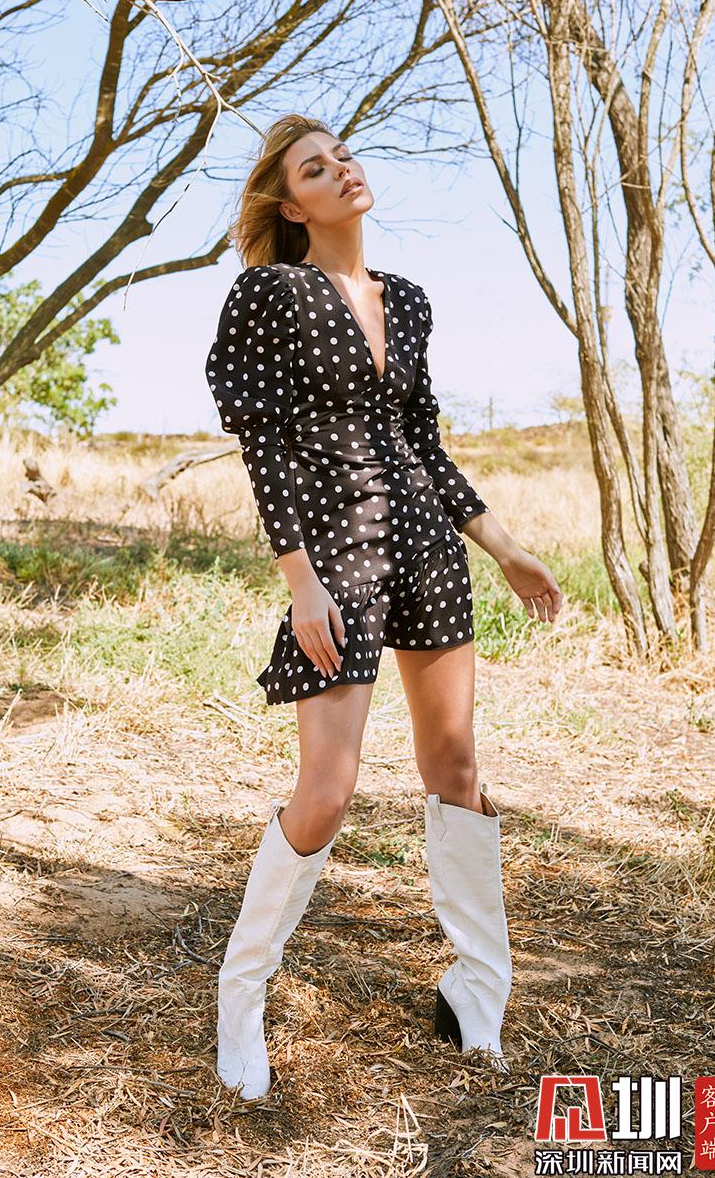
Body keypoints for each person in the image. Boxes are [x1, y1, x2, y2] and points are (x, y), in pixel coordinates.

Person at [204, 113, 563, 1101]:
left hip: (427, 550)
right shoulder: (269, 293)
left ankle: (475, 992)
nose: (341, 171)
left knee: (457, 770)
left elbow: (422, 444)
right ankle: (241, 995)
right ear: (291, 206)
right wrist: (299, 578)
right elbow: (261, 443)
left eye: (343, 157)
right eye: (315, 169)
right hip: (336, 556)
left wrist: (503, 548)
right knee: (327, 787)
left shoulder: (405, 299)